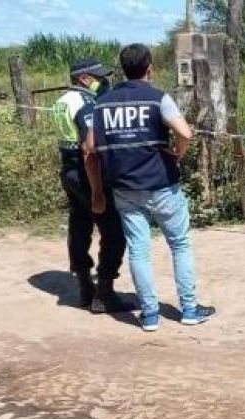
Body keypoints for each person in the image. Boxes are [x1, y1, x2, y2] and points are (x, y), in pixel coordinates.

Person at [84, 44, 215, 332]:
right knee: (179, 244)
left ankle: (150, 314)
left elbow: (89, 150)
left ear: (122, 69)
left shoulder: (103, 105)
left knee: (139, 251)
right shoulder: (157, 98)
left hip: (124, 189)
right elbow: (185, 133)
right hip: (162, 185)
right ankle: (190, 309)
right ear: (150, 68)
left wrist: (97, 192)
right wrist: (178, 154)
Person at [51, 58, 133, 314]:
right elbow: (89, 149)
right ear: (84, 79)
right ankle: (104, 293)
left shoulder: (62, 101)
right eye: (99, 77)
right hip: (87, 172)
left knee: (79, 225)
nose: (103, 81)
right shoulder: (85, 104)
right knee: (114, 231)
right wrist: (98, 190)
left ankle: (85, 286)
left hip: (69, 169)